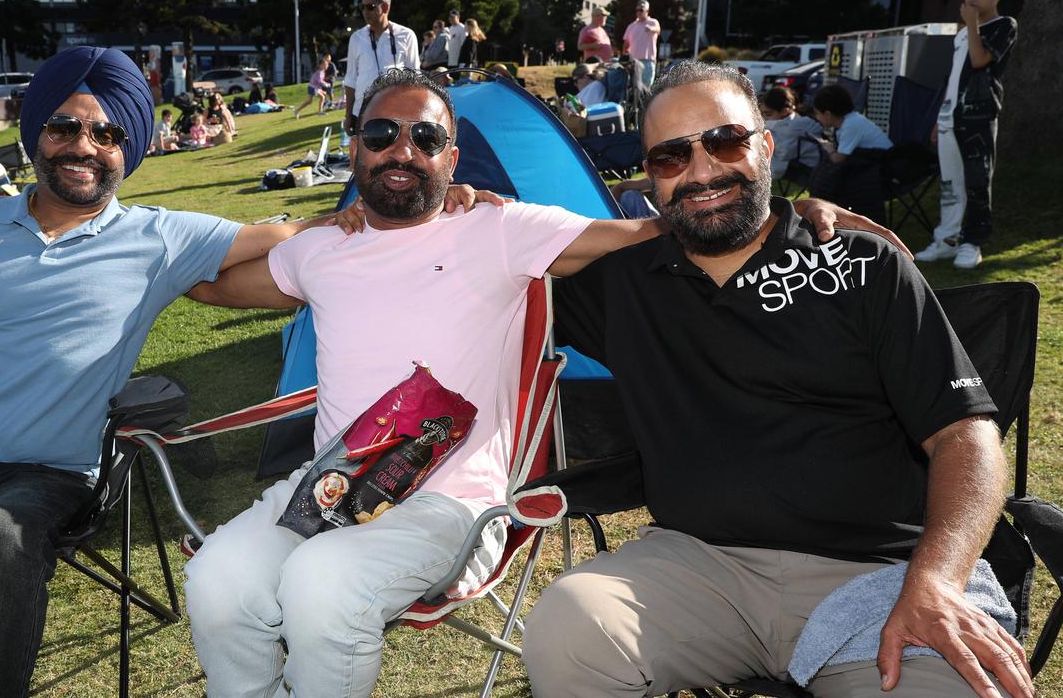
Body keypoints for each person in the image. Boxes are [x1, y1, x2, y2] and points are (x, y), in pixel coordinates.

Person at [180, 67, 894, 698]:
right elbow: (210, 286)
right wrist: (304, 222)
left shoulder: (498, 229)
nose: (403, 151)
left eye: (425, 139)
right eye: (382, 134)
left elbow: (654, 232)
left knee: (319, 584)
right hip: (331, 483)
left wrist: (786, 213)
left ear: (451, 157)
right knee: (217, 580)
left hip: (450, 502)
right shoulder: (321, 251)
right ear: (355, 146)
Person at [0, 45, 387, 698]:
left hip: (41, 480)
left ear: (128, 150)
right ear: (37, 132)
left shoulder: (158, 238)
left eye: (107, 132)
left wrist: (405, 216)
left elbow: (290, 235)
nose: (84, 144)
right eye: (64, 125)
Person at [521, 60, 1033, 698]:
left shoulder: (859, 264)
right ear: (649, 176)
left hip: (881, 576)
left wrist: (936, 580)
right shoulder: (625, 284)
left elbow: (966, 436)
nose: (703, 170)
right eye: (672, 157)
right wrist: (463, 208)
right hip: (700, 568)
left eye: (725, 142)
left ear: (766, 144)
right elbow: (488, 278)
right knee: (568, 629)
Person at [915, 0, 1017, 270]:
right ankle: (947, 240)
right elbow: (953, 79)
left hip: (978, 118)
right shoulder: (962, 35)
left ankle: (974, 242)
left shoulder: (1004, 26)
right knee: (950, 184)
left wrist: (971, 24)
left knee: (977, 182)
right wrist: (939, 118)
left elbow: (979, 60)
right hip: (950, 119)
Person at [342, 0, 419, 135]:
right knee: (363, 159)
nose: (365, 12)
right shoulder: (356, 38)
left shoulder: (407, 35)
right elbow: (350, 80)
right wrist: (348, 115)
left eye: (370, 7)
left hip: (397, 112)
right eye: (362, 7)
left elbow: (414, 77)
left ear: (385, 7)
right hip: (362, 113)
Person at [811, 84, 893, 162]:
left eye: (817, 113)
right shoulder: (851, 119)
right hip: (879, 162)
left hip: (884, 167)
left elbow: (838, 160)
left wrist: (829, 148)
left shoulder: (850, 125)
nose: (817, 117)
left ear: (827, 114)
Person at [760, 86, 823, 181]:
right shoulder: (787, 121)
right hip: (794, 163)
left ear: (785, 111)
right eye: (763, 114)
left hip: (804, 168)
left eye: (768, 114)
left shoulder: (795, 125)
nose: (764, 117)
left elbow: (783, 154)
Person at [622, 0, 661, 89]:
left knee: (646, 89)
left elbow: (658, 30)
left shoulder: (653, 22)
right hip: (633, 62)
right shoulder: (631, 26)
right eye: (637, 10)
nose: (639, 12)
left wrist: (651, 29)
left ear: (647, 11)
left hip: (647, 61)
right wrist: (624, 57)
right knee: (633, 88)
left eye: (641, 10)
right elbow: (626, 43)